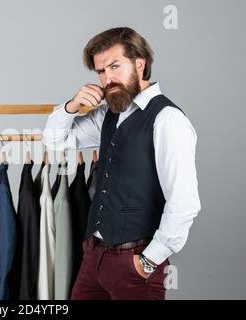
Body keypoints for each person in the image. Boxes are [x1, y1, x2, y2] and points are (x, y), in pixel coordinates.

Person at [42, 27, 201, 300]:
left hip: (136, 265)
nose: (107, 78)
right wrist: (71, 105)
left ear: (140, 64)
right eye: (101, 71)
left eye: (115, 66)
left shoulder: (167, 119)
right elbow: (55, 141)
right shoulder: (109, 114)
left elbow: (184, 203)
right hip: (94, 259)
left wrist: (148, 262)